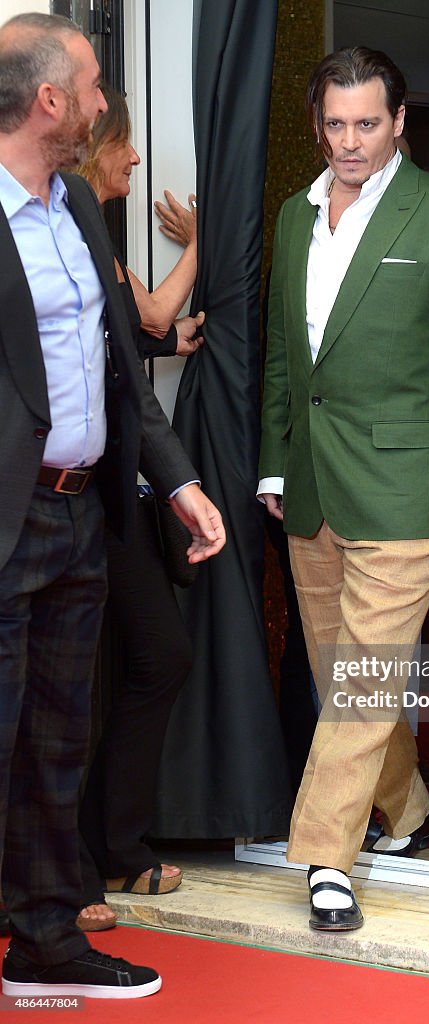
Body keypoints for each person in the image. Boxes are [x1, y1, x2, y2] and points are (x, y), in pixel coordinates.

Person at [0, 13, 225, 999]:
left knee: (59, 741)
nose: (102, 103)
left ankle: (50, 937)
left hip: (84, 516)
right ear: (49, 101)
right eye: (92, 87)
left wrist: (175, 479)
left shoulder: (80, 212)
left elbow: (118, 373)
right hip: (3, 524)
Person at [258, 46, 429, 931]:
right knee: (345, 677)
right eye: (334, 124)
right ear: (318, 124)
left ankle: (327, 855)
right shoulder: (295, 216)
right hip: (313, 484)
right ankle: (408, 810)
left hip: (408, 486)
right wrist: (276, 461)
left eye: (367, 123)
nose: (349, 142)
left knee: (360, 685)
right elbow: (290, 355)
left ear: (400, 121)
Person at [72, 84, 202, 932]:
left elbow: (140, 331)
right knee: (72, 688)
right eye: (124, 140)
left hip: (112, 493)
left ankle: (105, 849)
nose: (137, 158)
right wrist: (200, 249)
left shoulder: (86, 231)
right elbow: (149, 319)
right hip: (69, 498)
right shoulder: (62, 227)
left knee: (149, 659)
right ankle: (87, 861)